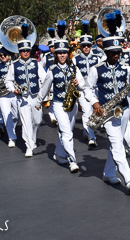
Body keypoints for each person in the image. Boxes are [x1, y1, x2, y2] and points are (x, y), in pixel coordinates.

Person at [86, 35, 130, 191]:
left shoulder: (126, 68)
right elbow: (87, 88)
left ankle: (108, 173)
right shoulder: (96, 69)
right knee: (117, 145)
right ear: (106, 52)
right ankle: (128, 178)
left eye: (118, 52)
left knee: (118, 143)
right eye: (113, 52)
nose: (116, 55)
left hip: (124, 110)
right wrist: (94, 102)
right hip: (107, 113)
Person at [36, 38, 88, 173]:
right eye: (59, 53)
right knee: (66, 132)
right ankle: (72, 160)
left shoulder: (74, 68)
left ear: (68, 53)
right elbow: (45, 88)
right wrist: (38, 102)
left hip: (73, 104)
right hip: (59, 104)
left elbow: (84, 86)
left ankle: (59, 154)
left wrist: (79, 84)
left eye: (64, 52)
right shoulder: (52, 70)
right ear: (55, 54)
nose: (62, 55)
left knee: (67, 132)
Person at [4, 39, 46, 157]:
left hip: (36, 96)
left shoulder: (36, 63)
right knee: (26, 122)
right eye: (23, 51)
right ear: (19, 51)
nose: (26, 52)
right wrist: (13, 90)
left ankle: (32, 139)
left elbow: (44, 78)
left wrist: (42, 92)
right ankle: (29, 146)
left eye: (27, 50)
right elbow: (8, 81)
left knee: (37, 120)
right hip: (22, 99)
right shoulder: (14, 65)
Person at [72, 32, 102, 148]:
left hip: (94, 89)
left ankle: (87, 130)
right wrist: (75, 80)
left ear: (91, 46)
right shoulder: (75, 59)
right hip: (81, 89)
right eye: (83, 45)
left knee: (94, 112)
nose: (86, 47)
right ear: (80, 46)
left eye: (88, 45)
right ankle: (91, 136)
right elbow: (72, 73)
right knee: (87, 111)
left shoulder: (97, 58)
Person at [39, 37, 57, 127]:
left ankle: (58, 116)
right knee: (51, 100)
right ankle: (53, 117)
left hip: (60, 81)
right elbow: (40, 67)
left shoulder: (61, 55)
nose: (53, 48)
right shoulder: (46, 57)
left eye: (54, 46)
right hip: (51, 82)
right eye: (51, 47)